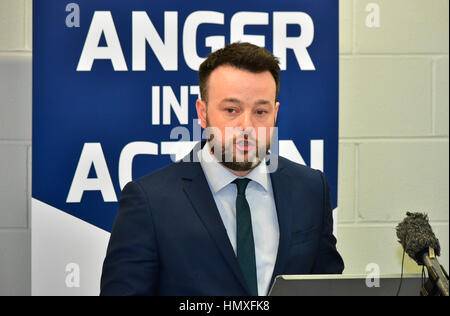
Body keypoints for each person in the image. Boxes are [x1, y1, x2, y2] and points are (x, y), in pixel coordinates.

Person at [100, 42, 344, 296]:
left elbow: (328, 287)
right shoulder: (150, 201)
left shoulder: (311, 189)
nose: (246, 125)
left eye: (261, 111)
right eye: (231, 110)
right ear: (203, 113)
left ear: (275, 114)